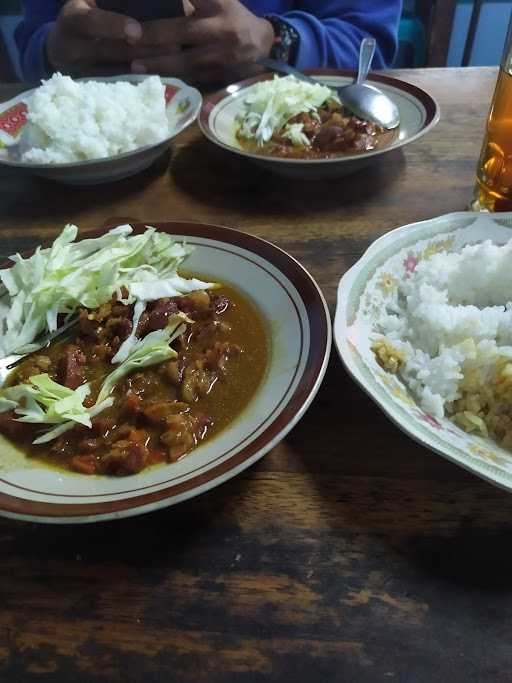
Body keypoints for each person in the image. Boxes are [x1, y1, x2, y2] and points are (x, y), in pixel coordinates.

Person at [15, 0, 401, 83]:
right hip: (80, 154)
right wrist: (53, 53)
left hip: (284, 169)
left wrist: (275, 42)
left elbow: (370, 46)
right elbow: (33, 40)